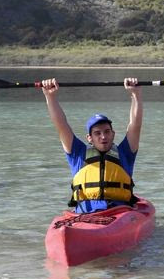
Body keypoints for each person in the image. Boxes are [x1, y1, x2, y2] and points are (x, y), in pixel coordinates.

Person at [40, 77, 142, 213]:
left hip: (119, 213)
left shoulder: (125, 152)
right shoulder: (77, 153)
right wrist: (50, 97)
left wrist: (135, 94)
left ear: (113, 134)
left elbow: (135, 125)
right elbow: (61, 125)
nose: (103, 136)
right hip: (84, 213)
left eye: (107, 132)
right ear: (89, 138)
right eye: (97, 133)